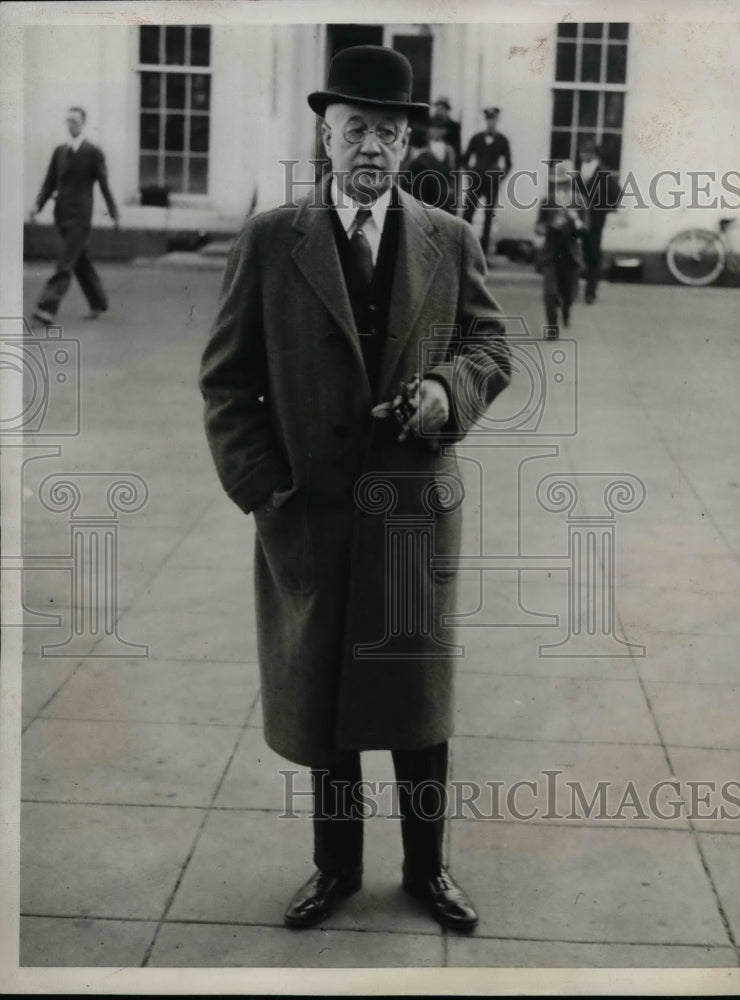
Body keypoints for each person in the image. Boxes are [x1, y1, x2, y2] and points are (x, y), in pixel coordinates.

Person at [199, 45, 511, 933]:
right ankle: (334, 869)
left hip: (413, 511)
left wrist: (447, 392)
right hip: (313, 512)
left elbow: (491, 351)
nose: (370, 146)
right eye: (353, 130)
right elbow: (227, 380)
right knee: (326, 700)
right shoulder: (271, 238)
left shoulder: (449, 240)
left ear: (409, 141)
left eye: (386, 130)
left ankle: (427, 871)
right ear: (325, 137)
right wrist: (265, 489)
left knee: (417, 706)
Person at [29, 107, 120, 324]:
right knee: (80, 261)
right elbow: (49, 182)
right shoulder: (59, 151)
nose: (71, 125)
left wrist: (114, 213)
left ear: (83, 123)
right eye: (68, 121)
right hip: (61, 215)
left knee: (66, 263)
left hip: (80, 217)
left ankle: (47, 307)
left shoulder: (92, 152)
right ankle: (98, 301)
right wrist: (37, 206)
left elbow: (104, 185)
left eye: (75, 121)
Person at [534, 159, 585, 338]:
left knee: (569, 294)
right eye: (558, 182)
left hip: (570, 255)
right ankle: (552, 328)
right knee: (549, 293)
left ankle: (566, 310)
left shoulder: (579, 201)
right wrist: (548, 226)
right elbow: (538, 227)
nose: (561, 185)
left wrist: (576, 221)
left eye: (564, 182)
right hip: (551, 254)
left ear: (570, 182)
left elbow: (586, 230)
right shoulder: (547, 201)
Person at [573, 140, 621, 304]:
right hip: (577, 218)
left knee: (592, 255)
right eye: (581, 152)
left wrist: (603, 210)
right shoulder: (580, 172)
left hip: (594, 220)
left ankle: (590, 293)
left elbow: (617, 194)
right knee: (572, 252)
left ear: (594, 154)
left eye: (585, 152)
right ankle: (570, 290)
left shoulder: (603, 172)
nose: (582, 155)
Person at [462, 107, 512, 255]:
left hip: (492, 181)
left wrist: (501, 177)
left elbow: (509, 163)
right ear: (486, 120)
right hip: (476, 179)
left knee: (489, 216)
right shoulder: (477, 138)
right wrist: (470, 173)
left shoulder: (502, 140)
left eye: (494, 119)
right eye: (489, 119)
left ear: (497, 120)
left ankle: (483, 253)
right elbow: (465, 158)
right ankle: (465, 249)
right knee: (468, 213)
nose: (491, 122)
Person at [408, 114, 458, 213]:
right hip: (425, 194)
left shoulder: (449, 150)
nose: (437, 131)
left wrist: (452, 192)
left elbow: (452, 173)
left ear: (445, 131)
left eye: (440, 128)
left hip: (442, 194)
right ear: (429, 129)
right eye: (434, 127)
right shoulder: (421, 151)